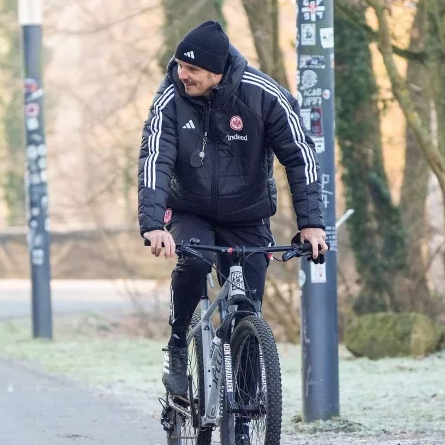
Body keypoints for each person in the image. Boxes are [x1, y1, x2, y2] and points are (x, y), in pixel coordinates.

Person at [137, 21, 327, 398]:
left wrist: (311, 224)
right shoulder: (170, 98)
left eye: (190, 69)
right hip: (189, 208)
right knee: (191, 261)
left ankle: (247, 402)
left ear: (216, 71)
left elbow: (300, 157)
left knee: (247, 310)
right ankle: (177, 346)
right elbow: (155, 156)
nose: (181, 74)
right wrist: (153, 223)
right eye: (178, 65)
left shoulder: (264, 95)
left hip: (247, 212)